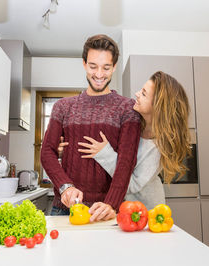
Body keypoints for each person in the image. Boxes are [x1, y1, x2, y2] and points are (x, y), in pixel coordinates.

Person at [40, 34, 141, 222]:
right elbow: (47, 151)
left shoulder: (127, 108)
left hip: (106, 211)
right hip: (64, 210)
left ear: (114, 67)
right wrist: (65, 187)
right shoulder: (63, 107)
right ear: (84, 64)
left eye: (106, 67)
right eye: (93, 66)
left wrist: (112, 203)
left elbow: (126, 161)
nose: (99, 74)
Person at [59, 71, 191, 210]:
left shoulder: (158, 147)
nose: (137, 94)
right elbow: (98, 148)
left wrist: (105, 153)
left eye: (144, 94)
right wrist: (68, 151)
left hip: (145, 211)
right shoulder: (132, 122)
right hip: (122, 207)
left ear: (158, 107)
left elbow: (131, 184)